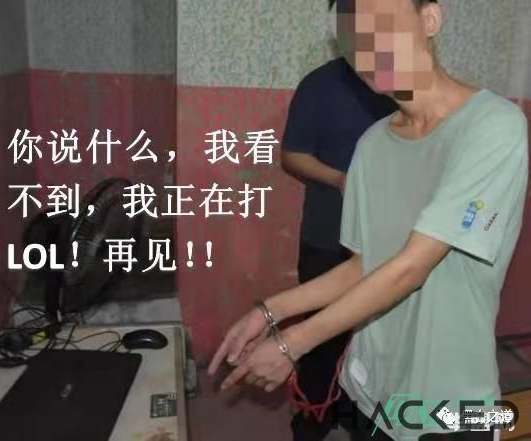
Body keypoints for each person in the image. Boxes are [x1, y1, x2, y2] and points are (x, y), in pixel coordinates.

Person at [209, 0, 529, 440]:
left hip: (450, 407)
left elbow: (412, 267)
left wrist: (293, 342)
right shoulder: (372, 146)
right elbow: (365, 265)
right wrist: (270, 311)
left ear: (429, 19)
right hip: (368, 394)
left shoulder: (493, 126)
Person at [281, 2, 397, 439]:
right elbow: (291, 155)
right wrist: (339, 179)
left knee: (377, 347)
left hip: (392, 246)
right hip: (327, 237)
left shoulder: (405, 90)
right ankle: (313, 419)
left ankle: (360, 415)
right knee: (320, 345)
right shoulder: (319, 85)